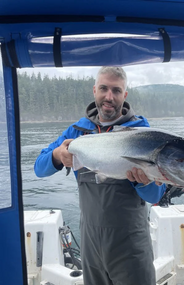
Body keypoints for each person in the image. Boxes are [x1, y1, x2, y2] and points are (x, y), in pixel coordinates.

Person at [34, 66, 166, 285]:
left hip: (131, 245)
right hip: (90, 245)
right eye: (103, 88)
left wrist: (143, 182)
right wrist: (58, 155)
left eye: (116, 90)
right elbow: (39, 168)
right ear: (94, 90)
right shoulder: (77, 132)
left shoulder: (141, 133)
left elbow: (155, 196)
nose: (109, 96)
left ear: (125, 95)